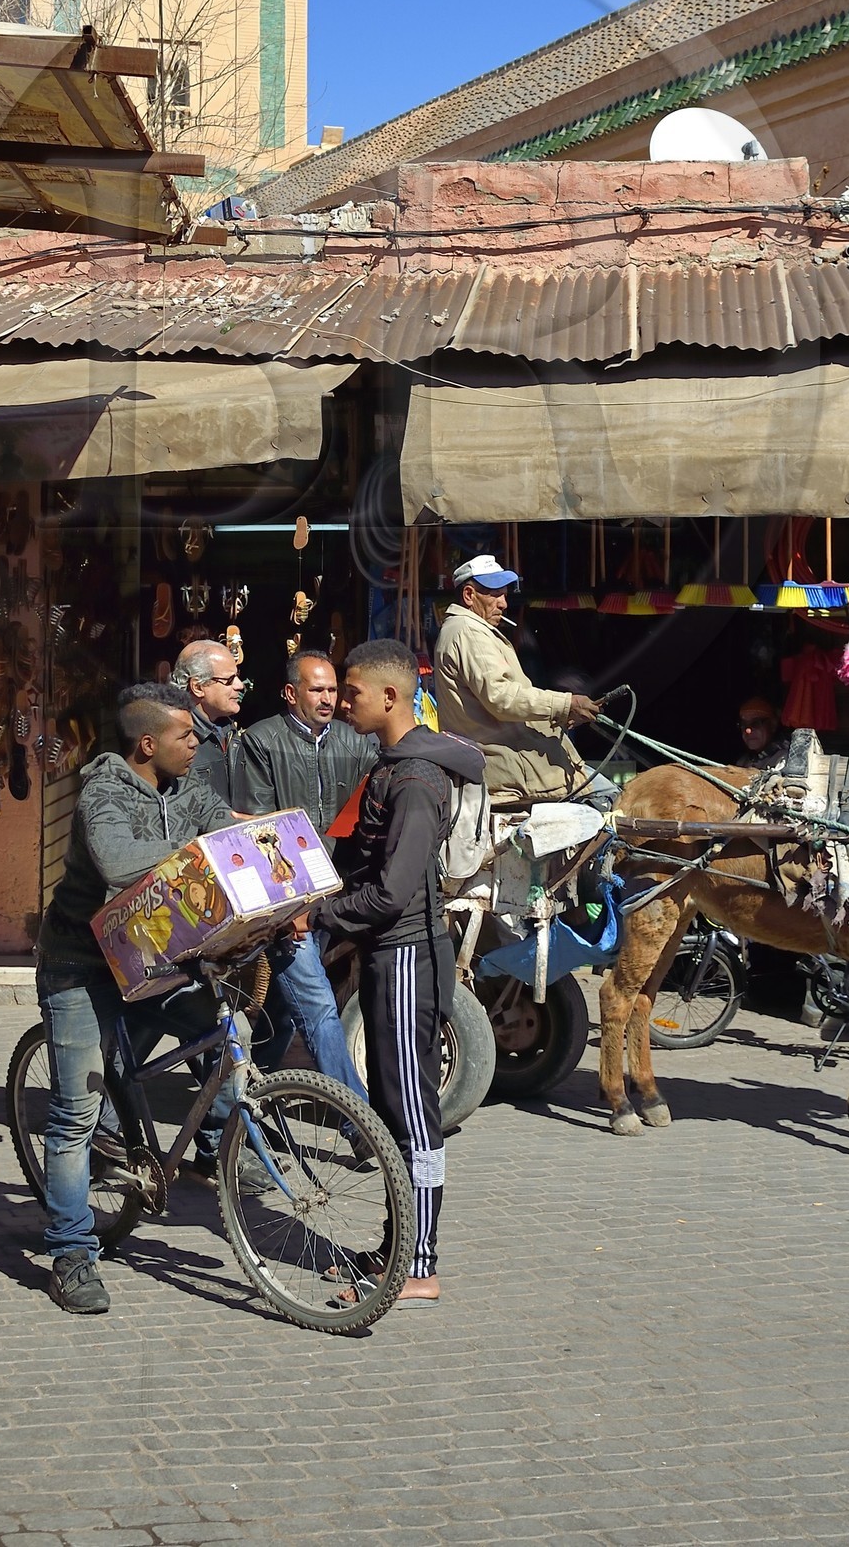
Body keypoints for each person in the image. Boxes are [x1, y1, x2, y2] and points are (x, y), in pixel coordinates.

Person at [34, 680, 245, 1317]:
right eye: (186, 734)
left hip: (152, 960)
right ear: (148, 744)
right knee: (74, 1113)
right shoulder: (103, 789)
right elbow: (121, 861)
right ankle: (71, 1253)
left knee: (221, 1040)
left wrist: (277, 843)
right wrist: (206, 853)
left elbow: (230, 827)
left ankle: (187, 1144)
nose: (197, 742)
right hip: (80, 965)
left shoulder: (187, 788)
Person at [314, 638, 485, 1306]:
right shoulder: (395, 764)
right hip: (390, 954)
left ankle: (418, 1265)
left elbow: (390, 892)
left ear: (389, 697)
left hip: (409, 953)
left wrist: (325, 913)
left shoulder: (415, 780)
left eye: (351, 690)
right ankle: (396, 1246)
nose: (341, 700)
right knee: (392, 1108)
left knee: (413, 1113)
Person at [235, 650, 376, 1094]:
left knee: (281, 1013)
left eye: (333, 689)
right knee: (317, 1007)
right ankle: (360, 1125)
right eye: (317, 689)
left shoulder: (354, 742)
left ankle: (239, 1101)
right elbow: (260, 830)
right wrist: (292, 902)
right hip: (286, 904)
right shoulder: (261, 741)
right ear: (291, 693)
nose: (328, 698)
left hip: (333, 898)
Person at [433, 553, 608, 802]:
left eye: (504, 594)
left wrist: (559, 714)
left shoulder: (470, 630)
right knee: (607, 798)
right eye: (494, 595)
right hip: (507, 769)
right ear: (469, 596)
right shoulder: (468, 632)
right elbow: (502, 698)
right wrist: (565, 703)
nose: (503, 603)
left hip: (516, 765)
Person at [173, 638, 246, 798]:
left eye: (237, 676)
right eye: (229, 680)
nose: (240, 685)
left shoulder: (232, 732)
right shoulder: (175, 742)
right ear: (198, 687)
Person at [732, 697, 786, 768]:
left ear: (773, 724)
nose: (748, 730)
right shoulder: (742, 762)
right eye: (743, 724)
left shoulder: (784, 759)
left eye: (755, 723)